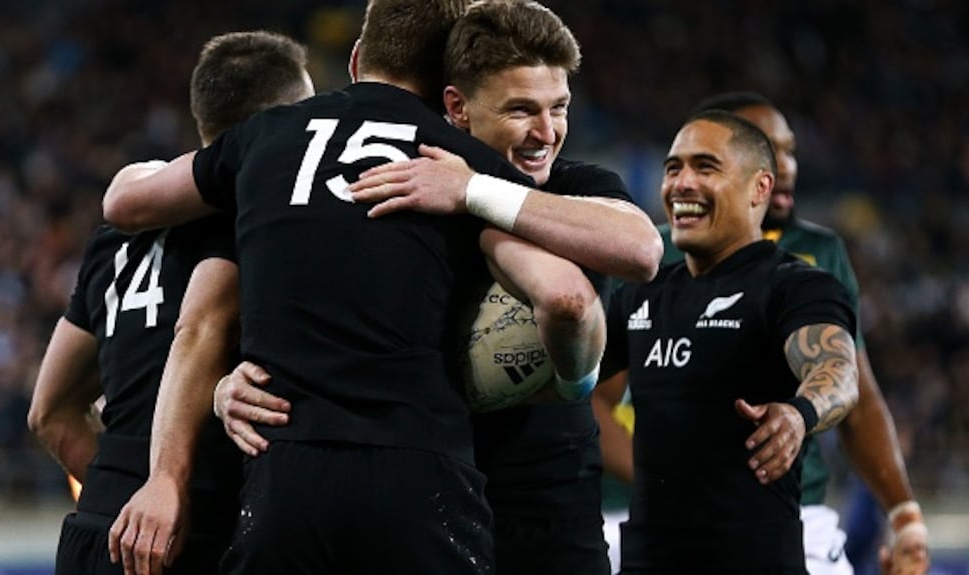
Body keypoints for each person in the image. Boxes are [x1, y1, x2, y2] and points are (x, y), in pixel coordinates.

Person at [101, 1, 621, 572]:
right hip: (426, 480)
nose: (543, 129)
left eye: (557, 108)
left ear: (355, 59)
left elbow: (127, 204)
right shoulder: (460, 165)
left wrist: (213, 404)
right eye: (525, 108)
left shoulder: (267, 138)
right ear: (453, 89)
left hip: (287, 474)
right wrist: (577, 381)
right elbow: (569, 295)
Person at [26, 31, 314, 575]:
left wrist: (125, 500)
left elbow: (49, 412)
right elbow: (199, 329)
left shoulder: (117, 235)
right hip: (200, 531)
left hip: (98, 531)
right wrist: (166, 494)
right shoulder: (255, 216)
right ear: (280, 124)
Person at [654, 92, 930, 575]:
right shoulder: (653, 256)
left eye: (789, 150)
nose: (787, 166)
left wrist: (905, 516)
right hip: (661, 518)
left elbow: (856, 394)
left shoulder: (818, 255)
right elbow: (596, 399)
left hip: (796, 514)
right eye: (767, 148)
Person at [599, 109, 860, 573]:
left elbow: (838, 372)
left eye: (705, 167)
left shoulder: (794, 286)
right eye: (673, 167)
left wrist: (799, 415)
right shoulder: (641, 293)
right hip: (648, 562)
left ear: (760, 188)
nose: (681, 183)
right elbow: (573, 386)